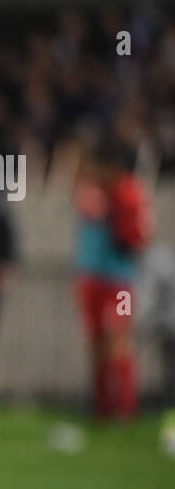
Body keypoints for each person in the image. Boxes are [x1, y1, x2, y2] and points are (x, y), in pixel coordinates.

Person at [75, 137, 153, 420]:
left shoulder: (128, 193)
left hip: (120, 282)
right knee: (96, 341)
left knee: (118, 339)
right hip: (92, 279)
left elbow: (138, 237)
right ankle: (103, 407)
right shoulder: (92, 192)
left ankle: (125, 407)